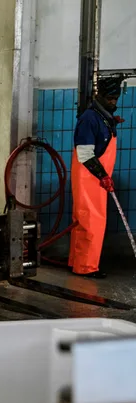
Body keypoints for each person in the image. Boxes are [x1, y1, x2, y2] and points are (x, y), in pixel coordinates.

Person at [70, 76, 125, 279]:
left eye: (115, 99)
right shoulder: (89, 118)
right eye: (109, 98)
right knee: (91, 222)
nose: (113, 102)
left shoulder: (103, 117)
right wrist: (102, 176)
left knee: (83, 221)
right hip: (89, 178)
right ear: (99, 96)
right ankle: (86, 267)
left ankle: (76, 262)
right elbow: (84, 154)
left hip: (97, 180)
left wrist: (113, 122)